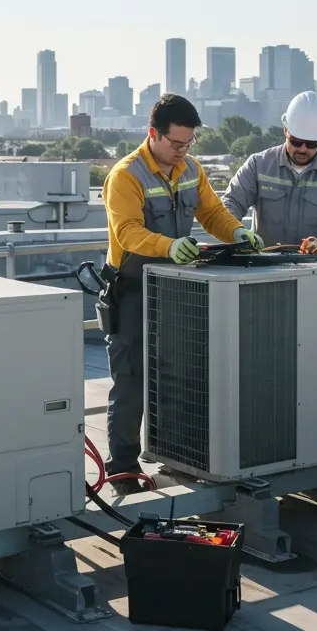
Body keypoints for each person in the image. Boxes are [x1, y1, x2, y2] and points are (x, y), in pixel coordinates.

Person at [100, 93, 263, 494]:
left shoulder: (191, 169)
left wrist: (236, 232)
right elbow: (127, 232)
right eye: (176, 143)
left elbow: (211, 212)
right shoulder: (126, 176)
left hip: (176, 289)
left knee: (179, 373)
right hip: (133, 288)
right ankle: (122, 470)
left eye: (189, 143)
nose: (183, 150)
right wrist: (168, 246)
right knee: (132, 381)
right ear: (153, 134)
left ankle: (176, 455)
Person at [221, 91, 317, 256]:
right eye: (296, 141)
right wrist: (236, 231)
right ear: (285, 131)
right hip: (263, 267)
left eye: (311, 144)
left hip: (316, 268)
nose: (303, 149)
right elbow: (231, 203)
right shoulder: (258, 165)